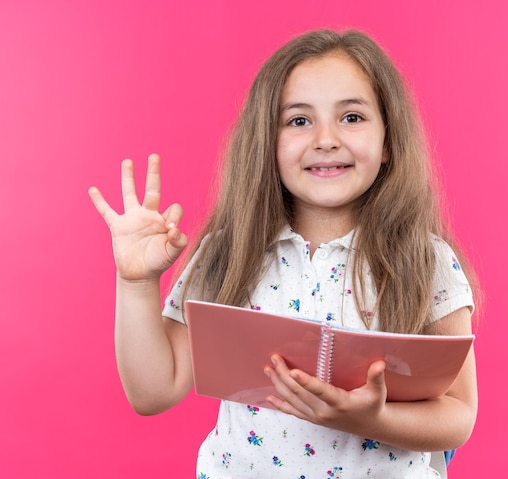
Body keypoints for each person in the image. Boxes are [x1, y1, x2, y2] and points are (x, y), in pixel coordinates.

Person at [89, 29, 478, 479]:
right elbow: (153, 392)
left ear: (389, 141)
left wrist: (373, 420)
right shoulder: (229, 251)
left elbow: (458, 416)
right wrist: (135, 284)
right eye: (298, 121)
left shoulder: (424, 260)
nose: (326, 139)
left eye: (351, 117)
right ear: (266, 144)